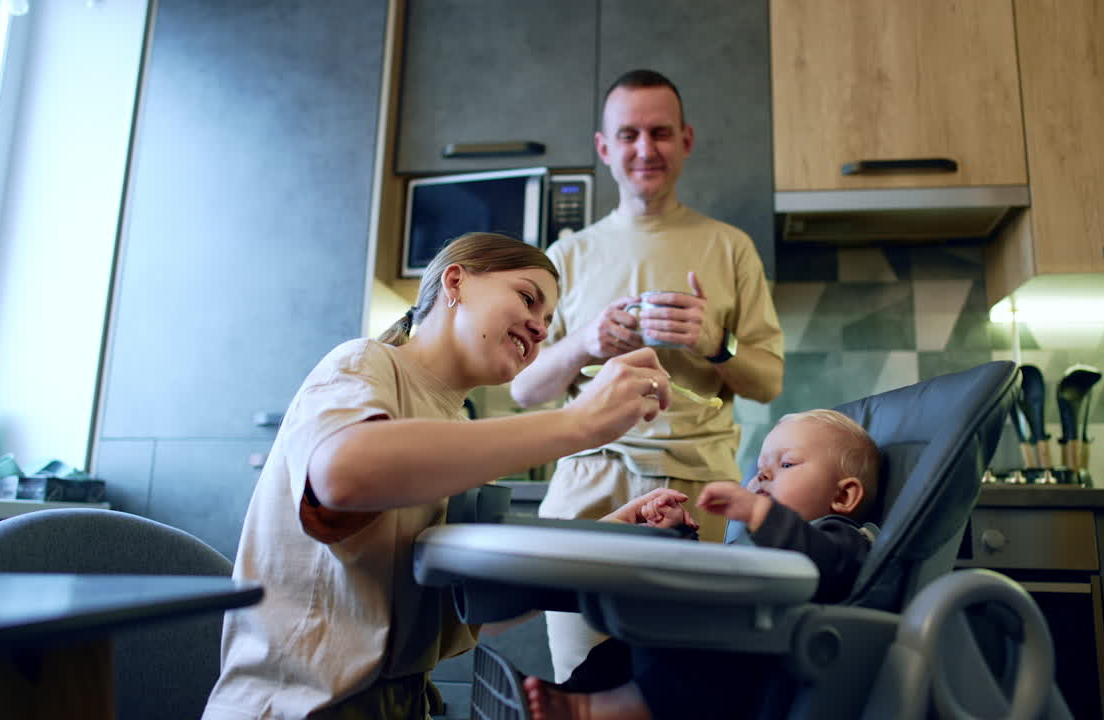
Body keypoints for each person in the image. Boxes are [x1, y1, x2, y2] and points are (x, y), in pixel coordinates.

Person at [201, 232, 677, 720]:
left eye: (548, 322)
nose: (539, 329)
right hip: (296, 707)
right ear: (456, 282)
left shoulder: (457, 428)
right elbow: (343, 474)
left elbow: (473, 605)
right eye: (527, 299)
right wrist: (579, 424)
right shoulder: (364, 363)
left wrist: (611, 534)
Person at [509, 68, 785, 682]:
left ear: (686, 140)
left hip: (699, 495)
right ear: (604, 148)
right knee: (581, 694)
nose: (644, 149)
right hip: (587, 487)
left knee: (686, 692)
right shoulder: (566, 256)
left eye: (660, 132)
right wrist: (585, 341)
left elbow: (767, 382)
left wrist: (715, 342)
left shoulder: (731, 247)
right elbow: (524, 389)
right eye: (628, 134)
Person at [519, 409, 882, 720]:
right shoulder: (764, 541)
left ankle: (604, 710)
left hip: (753, 667)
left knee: (677, 649)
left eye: (786, 464)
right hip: (723, 639)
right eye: (760, 469)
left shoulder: (843, 538)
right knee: (623, 642)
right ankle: (575, 694)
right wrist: (679, 534)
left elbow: (822, 562)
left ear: (843, 495)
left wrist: (760, 513)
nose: (763, 476)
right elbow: (721, 571)